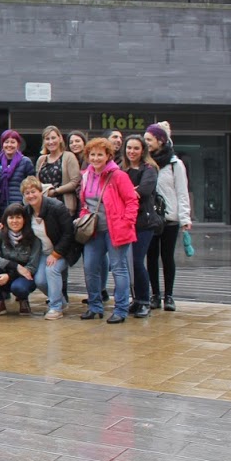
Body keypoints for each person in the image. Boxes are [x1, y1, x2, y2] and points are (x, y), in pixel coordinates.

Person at [78, 137, 138, 324]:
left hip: (116, 230)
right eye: (92, 155)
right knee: (90, 267)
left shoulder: (118, 175)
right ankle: (95, 306)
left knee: (119, 269)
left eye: (99, 155)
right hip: (94, 231)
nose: (95, 158)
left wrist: (126, 223)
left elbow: (132, 201)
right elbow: (85, 203)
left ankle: (121, 309)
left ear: (108, 156)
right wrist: (83, 217)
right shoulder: (86, 175)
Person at [145, 123, 191, 312]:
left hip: (170, 218)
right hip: (150, 217)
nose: (146, 143)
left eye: (149, 139)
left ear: (161, 140)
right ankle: (155, 295)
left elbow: (182, 192)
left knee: (167, 256)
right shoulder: (146, 163)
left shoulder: (174, 164)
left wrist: (185, 218)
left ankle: (169, 296)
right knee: (151, 256)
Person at [20, 177, 77, 321]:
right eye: (27, 193)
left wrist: (56, 254)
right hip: (44, 252)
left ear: (41, 192)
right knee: (40, 280)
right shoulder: (27, 211)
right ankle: (62, 302)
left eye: (33, 191)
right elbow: (14, 220)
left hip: (63, 250)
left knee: (52, 270)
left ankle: (55, 307)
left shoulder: (56, 207)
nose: (31, 195)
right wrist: (1, 226)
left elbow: (68, 233)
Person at [120, 135, 162, 317]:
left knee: (137, 261)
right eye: (129, 148)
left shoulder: (149, 170)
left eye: (136, 148)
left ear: (143, 150)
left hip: (144, 223)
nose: (132, 151)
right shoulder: (122, 168)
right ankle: (136, 299)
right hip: (124, 221)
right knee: (128, 264)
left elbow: (144, 190)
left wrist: (124, 192)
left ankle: (144, 300)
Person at [0, 203, 42, 317]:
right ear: (6, 220)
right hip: (4, 272)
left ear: (24, 219)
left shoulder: (33, 237)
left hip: (24, 276)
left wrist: (10, 276)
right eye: (11, 217)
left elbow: (32, 266)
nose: (14, 221)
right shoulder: (0, 233)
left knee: (19, 288)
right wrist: (16, 266)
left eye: (18, 217)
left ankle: (23, 299)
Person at [35, 125, 81, 215]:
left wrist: (55, 191)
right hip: (44, 207)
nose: (51, 142)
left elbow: (75, 182)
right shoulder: (41, 159)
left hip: (64, 207)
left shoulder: (69, 156)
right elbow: (37, 183)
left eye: (53, 138)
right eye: (47, 139)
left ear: (60, 139)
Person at [0, 129, 35, 212]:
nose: (9, 145)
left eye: (13, 142)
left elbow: (32, 185)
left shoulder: (25, 162)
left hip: (19, 207)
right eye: (6, 142)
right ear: (2, 144)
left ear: (18, 144)